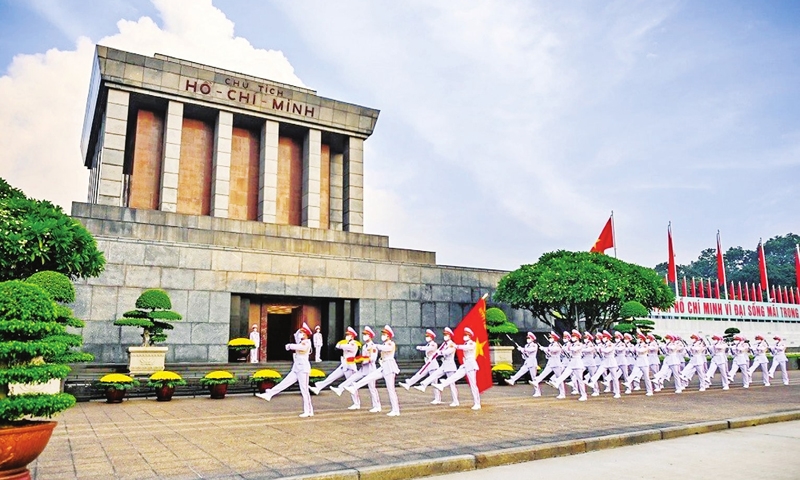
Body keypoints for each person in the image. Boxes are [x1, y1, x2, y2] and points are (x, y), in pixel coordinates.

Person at [255, 323, 314, 418]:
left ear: (306, 334)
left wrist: (290, 346)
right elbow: (296, 335)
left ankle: (308, 411)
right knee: (285, 383)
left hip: (303, 369)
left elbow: (302, 348)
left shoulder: (307, 342)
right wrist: (298, 332)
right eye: (300, 332)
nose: (300, 334)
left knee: (304, 390)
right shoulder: (300, 341)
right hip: (296, 368)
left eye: (302, 333)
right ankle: (270, 394)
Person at [345, 325, 401, 416]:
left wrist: (375, 346)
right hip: (383, 366)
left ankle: (396, 410)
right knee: (370, 377)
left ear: (388, 336)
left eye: (384, 334)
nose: (383, 336)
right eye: (383, 334)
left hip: (390, 367)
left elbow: (387, 349)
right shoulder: (381, 344)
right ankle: (354, 387)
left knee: (391, 389)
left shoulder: (391, 343)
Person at [309, 327, 360, 409]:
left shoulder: (353, 344)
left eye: (348, 335)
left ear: (352, 336)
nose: (346, 336)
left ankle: (356, 403)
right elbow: (339, 346)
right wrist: (341, 345)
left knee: (351, 385)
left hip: (350, 366)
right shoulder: (347, 343)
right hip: (344, 364)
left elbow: (341, 346)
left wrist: (341, 345)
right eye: (346, 335)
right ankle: (318, 387)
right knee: (331, 377)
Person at [332, 326, 381, 412]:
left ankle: (377, 406)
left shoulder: (373, 346)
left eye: (366, 335)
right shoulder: (364, 346)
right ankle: (340, 388)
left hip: (370, 369)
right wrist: (358, 359)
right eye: (364, 334)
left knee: (372, 388)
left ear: (370, 336)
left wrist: (361, 360)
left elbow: (372, 359)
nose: (364, 336)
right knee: (352, 378)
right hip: (363, 368)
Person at [433, 327, 482, 410]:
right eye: (464, 335)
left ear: (470, 336)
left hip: (470, 365)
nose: (465, 336)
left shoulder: (472, 343)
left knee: (473, 384)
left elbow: (465, 348)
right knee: (454, 376)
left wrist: (455, 346)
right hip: (465, 364)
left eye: (466, 335)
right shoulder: (466, 343)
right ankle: (442, 385)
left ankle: (477, 403)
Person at [415, 327, 459, 406]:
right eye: (444, 334)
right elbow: (439, 350)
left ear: (449, 336)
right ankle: (423, 385)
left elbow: (447, 352)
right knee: (434, 375)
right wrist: (436, 353)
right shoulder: (444, 344)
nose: (445, 336)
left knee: (452, 384)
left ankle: (455, 401)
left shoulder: (452, 344)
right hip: (444, 364)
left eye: (446, 335)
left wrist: (439, 353)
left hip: (450, 365)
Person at [399, 329, 441, 396]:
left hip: (433, 364)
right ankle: (408, 384)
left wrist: (420, 347)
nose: (427, 338)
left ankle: (437, 398)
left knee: (434, 382)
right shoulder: (428, 344)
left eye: (428, 336)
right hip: (427, 363)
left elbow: (429, 349)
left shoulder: (433, 344)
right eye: (426, 336)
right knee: (419, 373)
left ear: (431, 337)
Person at [550, 330, 587, 401]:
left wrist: (569, 348)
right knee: (564, 374)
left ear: (577, 337)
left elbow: (575, 349)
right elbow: (568, 351)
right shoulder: (572, 344)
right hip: (572, 361)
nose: (572, 338)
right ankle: (557, 382)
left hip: (578, 362)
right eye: (572, 336)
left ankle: (584, 395)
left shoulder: (579, 344)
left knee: (580, 380)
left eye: (574, 336)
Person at [586, 331, 621, 398]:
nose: (603, 338)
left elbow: (607, 350)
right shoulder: (603, 345)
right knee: (599, 372)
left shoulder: (611, 344)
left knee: (614, 377)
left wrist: (600, 349)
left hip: (611, 361)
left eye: (604, 337)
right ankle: (592, 381)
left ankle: (617, 392)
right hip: (605, 360)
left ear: (607, 338)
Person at [531, 332, 565, 398]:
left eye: (551, 338)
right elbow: (549, 354)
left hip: (556, 364)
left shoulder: (557, 345)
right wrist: (545, 350)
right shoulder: (551, 345)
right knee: (543, 373)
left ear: (554, 338)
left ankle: (562, 393)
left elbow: (554, 350)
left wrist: (545, 349)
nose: (549, 339)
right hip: (550, 363)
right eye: (549, 338)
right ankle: (537, 381)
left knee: (559, 378)